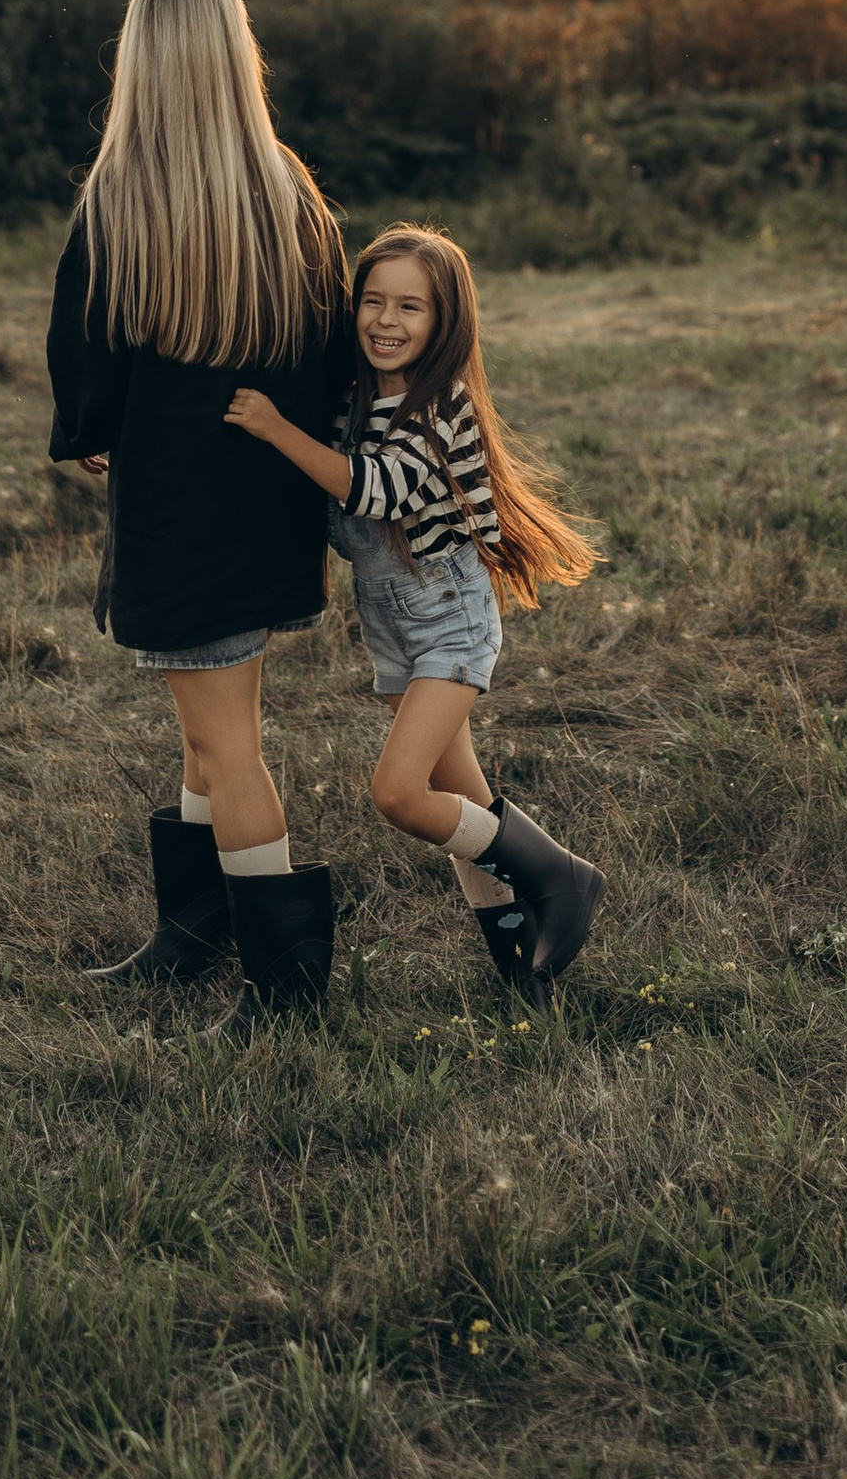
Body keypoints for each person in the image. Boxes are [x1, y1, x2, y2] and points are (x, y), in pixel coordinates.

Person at [46, 0, 353, 1022]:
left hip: (182, 513)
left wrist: (92, 430)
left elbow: (85, 351)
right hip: (266, 503)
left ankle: (285, 990)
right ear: (235, 59)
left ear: (140, 63)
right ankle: (193, 931)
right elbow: (330, 346)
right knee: (206, 731)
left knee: (228, 745)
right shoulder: (288, 190)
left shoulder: (120, 199)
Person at [225, 223, 605, 995]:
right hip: (393, 627)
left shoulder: (440, 407)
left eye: (410, 307)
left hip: (449, 623)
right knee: (463, 800)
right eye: (373, 301)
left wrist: (273, 426)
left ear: (445, 321)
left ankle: (558, 875)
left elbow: (375, 489)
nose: (386, 320)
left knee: (399, 793)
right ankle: (520, 968)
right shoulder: (354, 399)